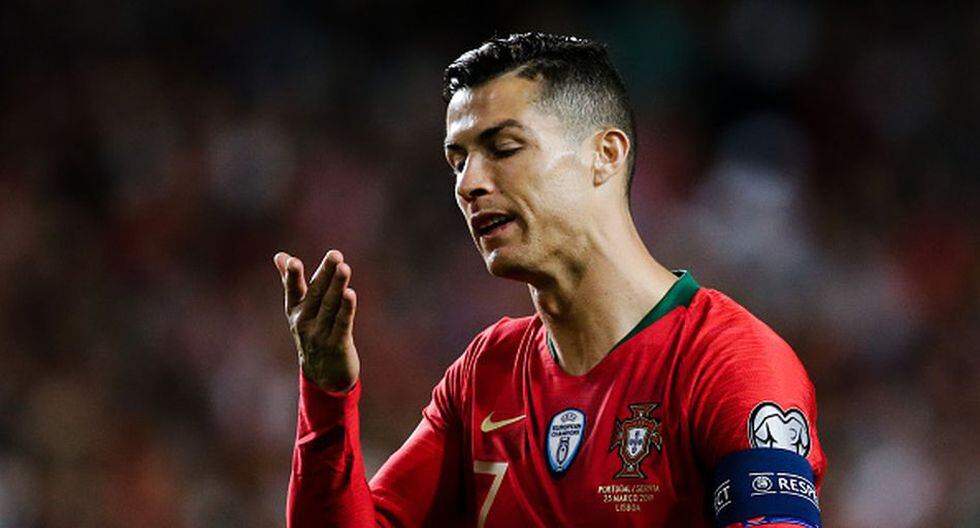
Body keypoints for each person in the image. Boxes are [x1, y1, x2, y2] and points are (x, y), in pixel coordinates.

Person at [273, 32, 826, 528]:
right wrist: (326, 396)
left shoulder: (729, 361)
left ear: (605, 155)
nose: (469, 184)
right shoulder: (485, 374)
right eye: (458, 161)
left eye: (503, 149)